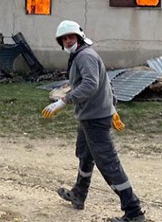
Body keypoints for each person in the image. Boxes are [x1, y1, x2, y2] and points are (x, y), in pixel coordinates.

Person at [43, 20, 145, 222]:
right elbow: (105, 82)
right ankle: (79, 195)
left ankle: (133, 211)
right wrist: (112, 105)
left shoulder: (85, 57)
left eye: (71, 36)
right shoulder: (81, 55)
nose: (67, 40)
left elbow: (91, 84)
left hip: (95, 119)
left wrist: (64, 101)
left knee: (108, 164)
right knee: (84, 154)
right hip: (91, 116)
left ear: (78, 37)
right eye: (64, 38)